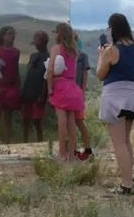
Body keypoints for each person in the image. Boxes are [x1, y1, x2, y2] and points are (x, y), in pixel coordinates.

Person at [97, 13, 134, 195]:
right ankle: (129, 179)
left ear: (113, 28)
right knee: (126, 141)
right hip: (132, 96)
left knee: (118, 144)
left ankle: (126, 184)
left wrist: (101, 55)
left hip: (115, 96)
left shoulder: (112, 50)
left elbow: (100, 74)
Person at [47, 23, 84, 162]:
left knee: (61, 120)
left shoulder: (56, 48)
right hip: (72, 86)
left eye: (55, 32)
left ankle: (62, 153)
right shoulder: (73, 50)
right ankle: (72, 154)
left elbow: (50, 69)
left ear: (59, 33)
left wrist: (49, 88)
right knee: (71, 121)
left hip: (60, 86)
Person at [21, 31, 49, 142]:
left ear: (43, 42)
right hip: (28, 91)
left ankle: (40, 141)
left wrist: (43, 94)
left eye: (37, 42)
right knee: (25, 118)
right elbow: (29, 72)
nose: (35, 45)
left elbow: (47, 78)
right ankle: (24, 141)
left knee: (37, 120)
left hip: (39, 92)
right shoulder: (33, 56)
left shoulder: (48, 57)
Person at [0, 26, 21, 143]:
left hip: (11, 87)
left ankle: (7, 141)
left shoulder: (16, 52)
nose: (12, 36)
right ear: (3, 36)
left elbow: (16, 69)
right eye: (9, 33)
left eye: (13, 33)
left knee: (8, 116)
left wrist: (18, 86)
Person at [74, 32, 93, 161]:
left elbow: (85, 74)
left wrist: (82, 91)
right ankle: (73, 149)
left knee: (79, 121)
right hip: (68, 92)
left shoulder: (82, 56)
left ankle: (87, 149)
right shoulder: (66, 55)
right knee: (70, 122)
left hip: (77, 92)